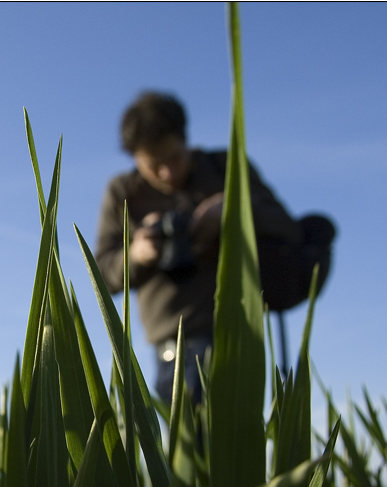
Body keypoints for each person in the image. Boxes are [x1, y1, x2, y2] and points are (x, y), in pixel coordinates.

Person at [94, 91, 335, 405]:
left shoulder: (225, 168)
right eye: (154, 166)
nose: (167, 172)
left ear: (186, 139)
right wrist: (138, 254)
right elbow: (103, 274)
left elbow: (287, 227)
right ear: (135, 158)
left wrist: (233, 210)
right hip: (174, 347)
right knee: (192, 450)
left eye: (174, 159)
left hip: (238, 333)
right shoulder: (123, 193)